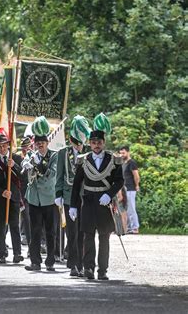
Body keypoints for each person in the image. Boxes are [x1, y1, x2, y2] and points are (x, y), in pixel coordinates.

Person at [70, 113, 124, 280]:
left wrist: (109, 194)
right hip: (88, 202)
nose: (96, 145)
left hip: (104, 203)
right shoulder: (82, 160)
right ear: (89, 143)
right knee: (88, 236)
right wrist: (73, 205)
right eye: (93, 143)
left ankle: (102, 270)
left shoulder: (113, 160)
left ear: (103, 143)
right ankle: (88, 268)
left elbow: (119, 180)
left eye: (99, 142)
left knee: (104, 237)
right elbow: (77, 184)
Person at [55, 115, 92, 277]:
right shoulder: (63, 153)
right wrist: (59, 194)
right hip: (70, 197)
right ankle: (73, 265)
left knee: (84, 233)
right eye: (76, 143)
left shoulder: (89, 155)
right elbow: (60, 175)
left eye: (80, 144)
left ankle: (83, 264)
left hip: (85, 198)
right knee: (72, 232)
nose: (78, 147)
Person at [22, 116, 59, 272]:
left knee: (50, 231)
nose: (40, 146)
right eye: (37, 144)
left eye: (42, 144)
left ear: (47, 143)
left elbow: (51, 175)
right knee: (35, 231)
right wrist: (26, 163)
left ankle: (50, 260)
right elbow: (24, 167)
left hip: (49, 198)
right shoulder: (32, 154)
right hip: (34, 198)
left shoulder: (54, 155)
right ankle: (35, 261)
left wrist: (38, 163)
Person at [0, 134, 24, 264]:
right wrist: (1, 192)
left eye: (4, 146)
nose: (2, 149)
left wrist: (14, 166)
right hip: (0, 198)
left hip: (13, 197)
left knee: (14, 226)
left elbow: (23, 177)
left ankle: (17, 253)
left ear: (8, 145)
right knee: (0, 226)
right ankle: (2, 253)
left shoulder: (17, 158)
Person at [119, 146, 140, 234]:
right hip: (124, 188)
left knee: (131, 208)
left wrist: (137, 185)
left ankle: (135, 227)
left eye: (123, 153)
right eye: (121, 153)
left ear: (128, 152)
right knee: (125, 209)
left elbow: (136, 175)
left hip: (131, 188)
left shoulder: (132, 163)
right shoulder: (124, 163)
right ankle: (127, 227)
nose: (122, 155)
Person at [19, 136, 33, 255]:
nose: (25, 151)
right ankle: (31, 246)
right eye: (23, 148)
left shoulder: (35, 157)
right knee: (27, 220)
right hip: (23, 195)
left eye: (27, 148)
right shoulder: (18, 158)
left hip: (36, 194)